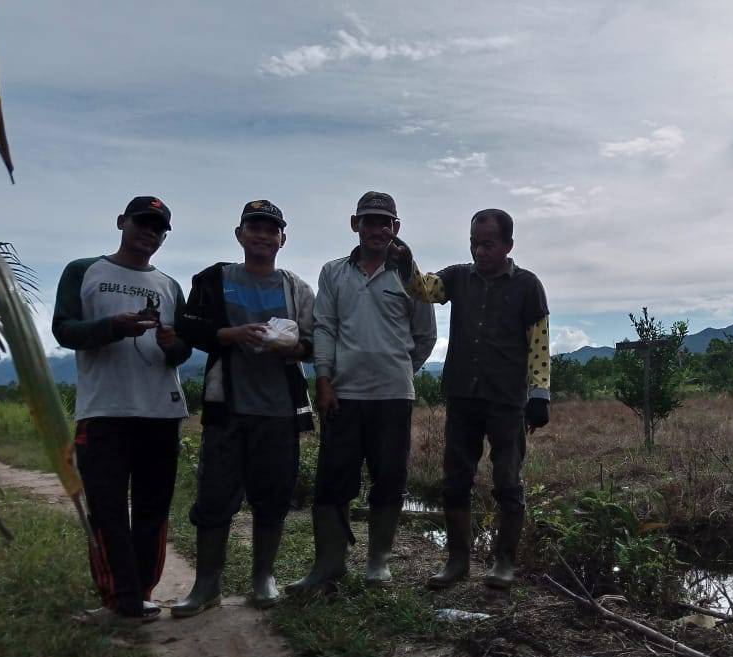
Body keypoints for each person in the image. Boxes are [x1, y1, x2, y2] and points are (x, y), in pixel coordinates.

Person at [286, 191, 436, 595]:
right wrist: (323, 380)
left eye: (385, 222)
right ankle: (329, 566)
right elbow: (325, 328)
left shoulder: (410, 277)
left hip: (393, 397)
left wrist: (400, 370)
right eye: (370, 221)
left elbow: (425, 335)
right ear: (356, 225)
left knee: (389, 477)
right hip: (343, 396)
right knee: (333, 480)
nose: (377, 229)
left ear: (396, 229)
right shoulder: (333, 273)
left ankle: (378, 563)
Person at [392, 208, 550, 589]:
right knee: (454, 482)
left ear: (508, 245)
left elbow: (539, 344)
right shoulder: (458, 277)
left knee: (508, 482)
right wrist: (405, 261)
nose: (479, 251)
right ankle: (457, 561)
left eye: (488, 244)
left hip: (507, 401)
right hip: (463, 395)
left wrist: (539, 394)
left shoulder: (528, 285)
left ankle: (504, 564)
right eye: (474, 243)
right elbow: (422, 289)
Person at [53, 196, 192, 623]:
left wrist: (174, 346)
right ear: (121, 222)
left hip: (161, 413)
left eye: (157, 227)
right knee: (107, 508)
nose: (149, 232)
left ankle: (141, 596)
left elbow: (183, 349)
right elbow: (64, 329)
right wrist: (115, 327)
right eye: (142, 223)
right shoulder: (84, 271)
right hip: (103, 413)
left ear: (164, 236)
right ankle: (121, 600)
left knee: (152, 509)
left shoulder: (170, 286)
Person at [172, 200, 315, 616]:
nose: (263, 235)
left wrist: (293, 347)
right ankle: (205, 587)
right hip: (226, 408)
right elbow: (189, 326)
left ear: (282, 240)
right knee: (215, 496)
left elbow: (313, 342)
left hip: (279, 411)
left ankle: (262, 579)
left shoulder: (296, 288)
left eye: (271, 230)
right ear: (239, 234)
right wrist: (230, 334)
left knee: (272, 497)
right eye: (255, 228)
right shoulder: (214, 278)